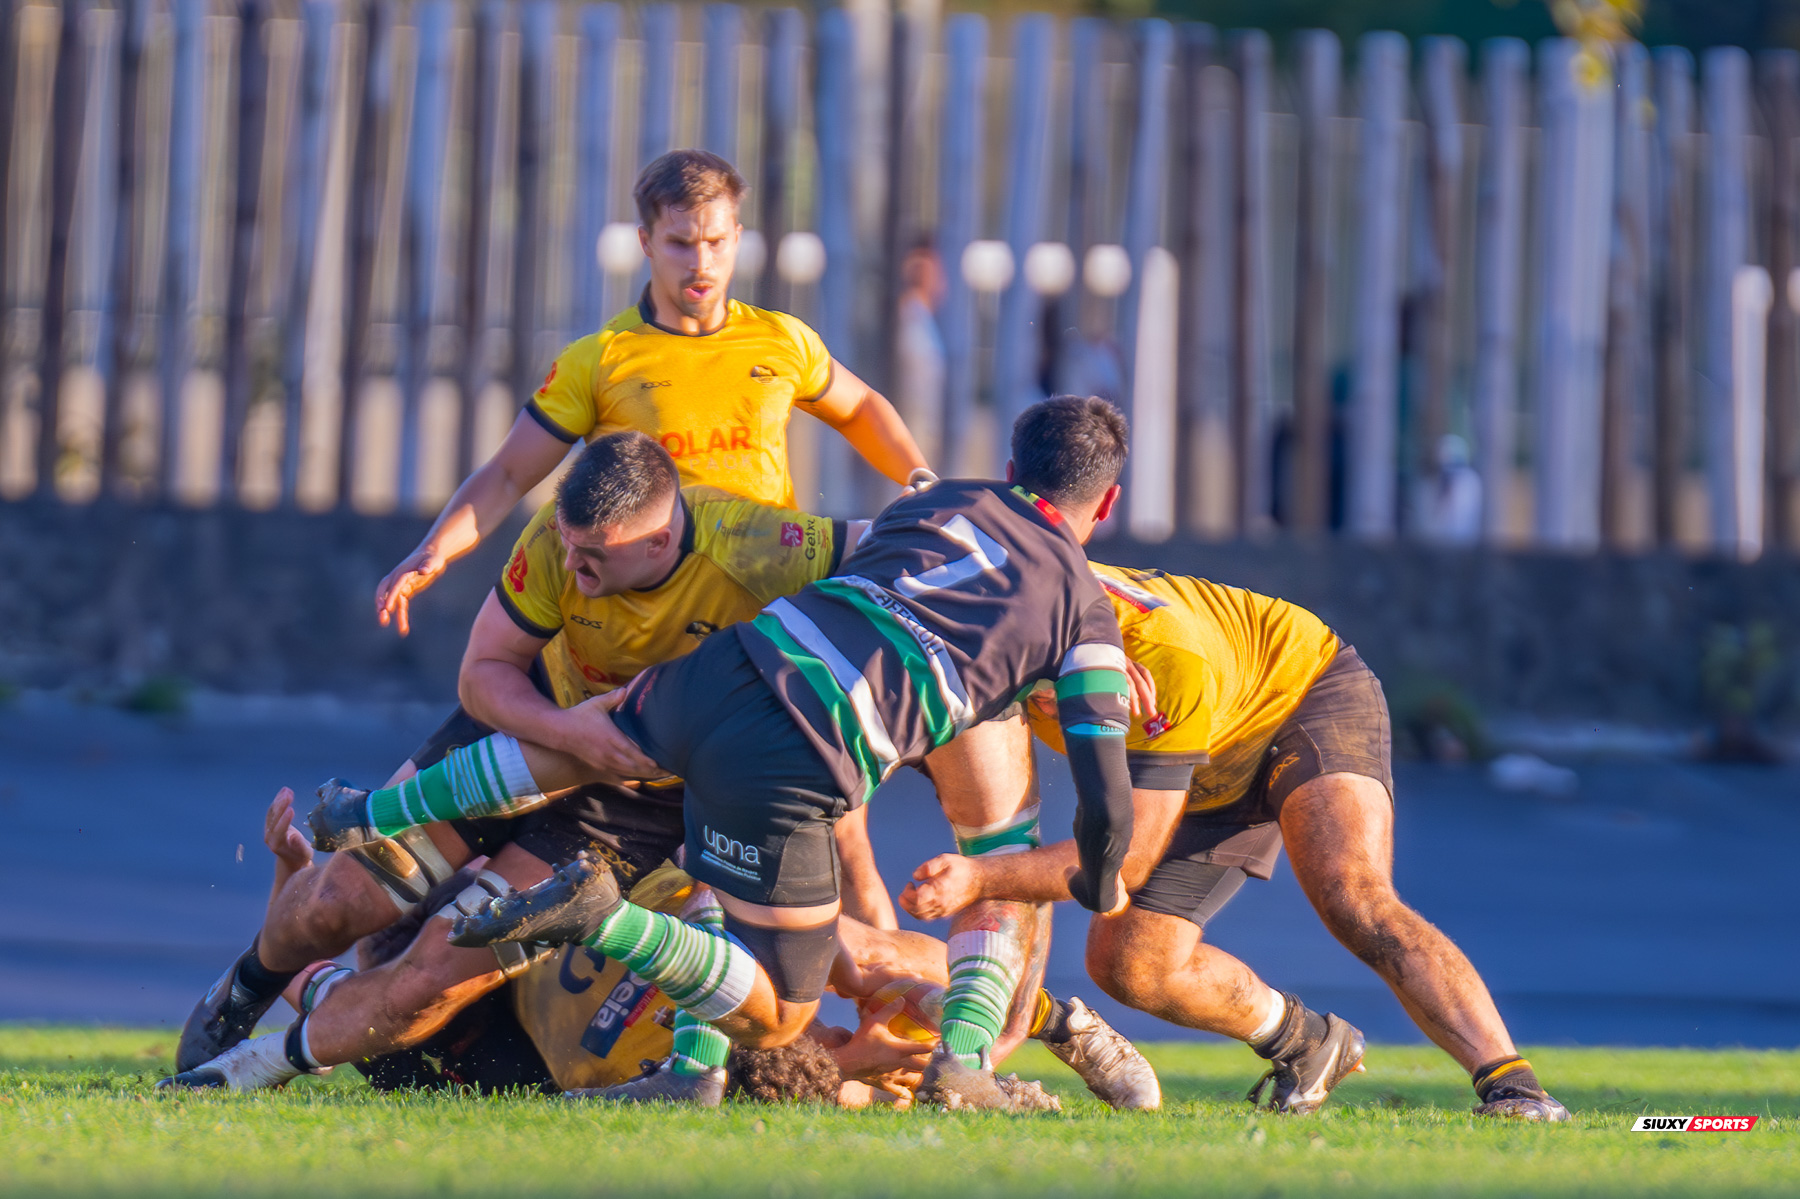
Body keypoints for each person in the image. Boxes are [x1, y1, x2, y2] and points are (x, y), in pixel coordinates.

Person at [309, 396, 1144, 1112]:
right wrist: (1101, 881)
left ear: (1008, 464)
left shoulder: (942, 499)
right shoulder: (1084, 615)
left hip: (732, 666)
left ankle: (368, 811)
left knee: (583, 749)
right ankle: (613, 920)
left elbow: (888, 561)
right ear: (1104, 507)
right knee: (784, 1006)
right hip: (802, 753)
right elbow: (1107, 805)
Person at [170, 433, 857, 1089]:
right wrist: (566, 729)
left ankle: (250, 1069)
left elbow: (891, 558)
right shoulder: (558, 540)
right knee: (337, 904)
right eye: (567, 543)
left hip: (631, 805)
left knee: (428, 980)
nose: (572, 567)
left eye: (593, 556)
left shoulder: (757, 543)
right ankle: (245, 984)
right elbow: (483, 671)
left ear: (659, 540)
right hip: (519, 733)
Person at [900, 561, 1571, 1121]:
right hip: (1198, 758)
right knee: (1131, 963)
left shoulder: (1164, 659)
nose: (1048, 713)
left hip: (1298, 696)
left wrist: (982, 881)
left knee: (1353, 896)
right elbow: (1018, 856)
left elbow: (1111, 863)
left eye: (1061, 699)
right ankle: (1308, 1042)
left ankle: (1513, 1084)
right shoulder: (981, 664)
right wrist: (1004, 1015)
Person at [374, 149, 927, 638]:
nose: (701, 264)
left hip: (762, 607)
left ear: (737, 237)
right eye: (680, 243)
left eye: (715, 242)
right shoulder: (600, 358)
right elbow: (509, 474)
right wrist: (435, 548)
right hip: (644, 625)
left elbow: (860, 408)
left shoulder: (782, 338)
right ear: (646, 242)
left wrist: (920, 481)